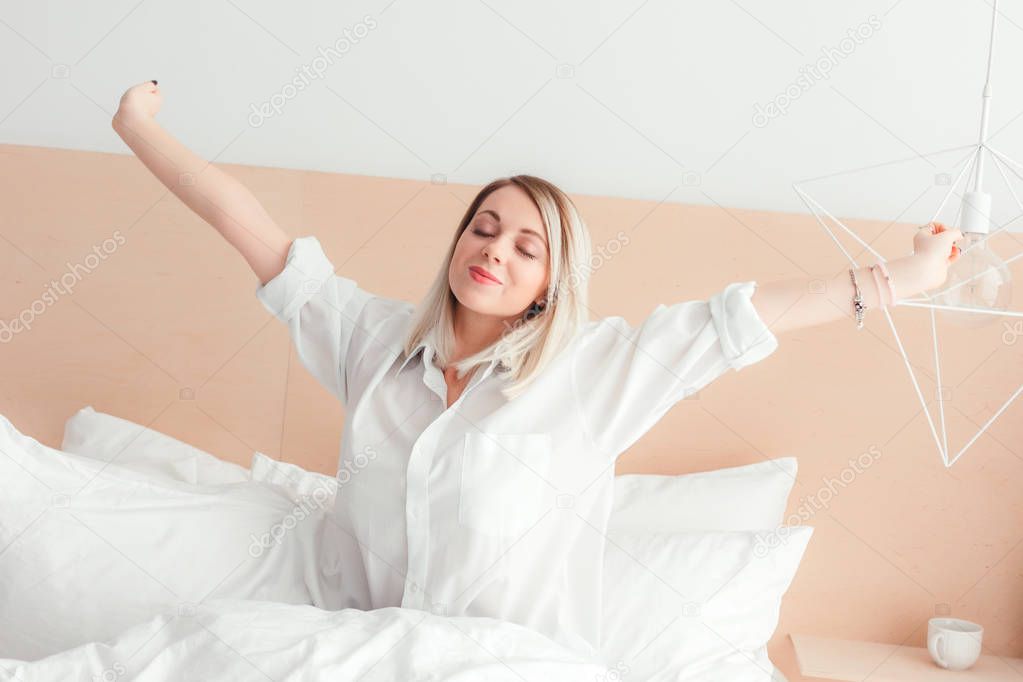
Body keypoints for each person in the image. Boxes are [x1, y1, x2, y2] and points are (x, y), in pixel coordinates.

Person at [111, 80, 962, 657]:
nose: (495, 250)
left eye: (528, 245)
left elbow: (740, 319)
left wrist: (902, 279)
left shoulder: (593, 373)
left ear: (552, 283)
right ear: (457, 243)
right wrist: (140, 130)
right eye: (483, 226)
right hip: (359, 657)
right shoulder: (369, 343)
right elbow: (250, 229)